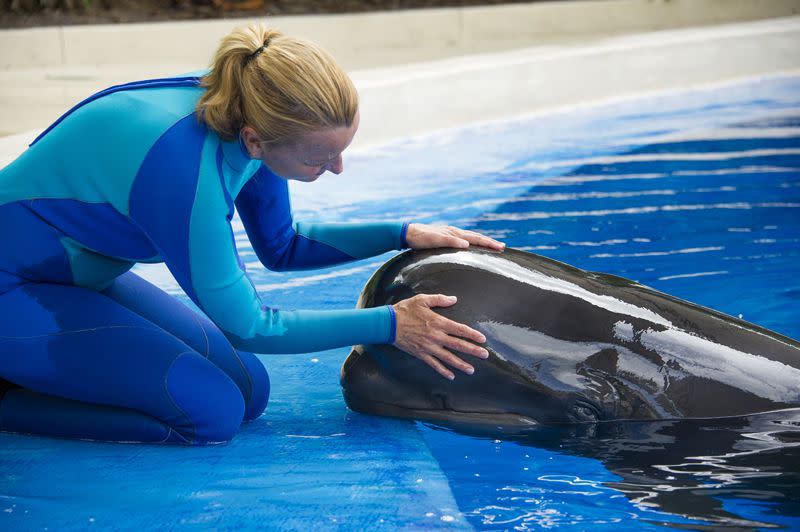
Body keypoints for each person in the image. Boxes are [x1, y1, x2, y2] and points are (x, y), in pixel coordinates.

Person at [0, 23, 504, 445]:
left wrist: (402, 233)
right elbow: (249, 327)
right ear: (256, 140)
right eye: (319, 159)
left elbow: (282, 246)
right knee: (210, 416)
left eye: (340, 151)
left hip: (73, 279)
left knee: (249, 390)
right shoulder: (183, 170)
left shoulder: (250, 120)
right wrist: (391, 325)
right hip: (14, 287)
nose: (338, 170)